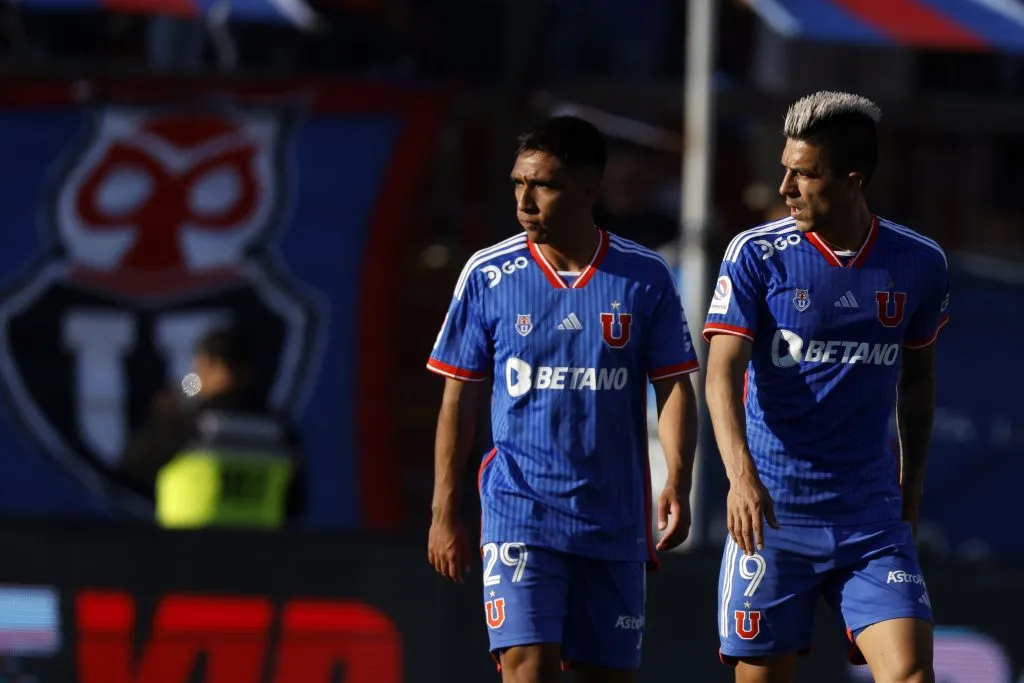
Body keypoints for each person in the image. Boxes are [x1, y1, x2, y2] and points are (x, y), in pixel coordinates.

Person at [426, 115, 699, 683]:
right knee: (528, 669)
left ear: (588, 189)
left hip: (614, 519)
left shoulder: (643, 275)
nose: (525, 200)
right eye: (518, 184)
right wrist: (444, 510)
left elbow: (673, 384)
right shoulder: (488, 274)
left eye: (543, 185)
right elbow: (458, 399)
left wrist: (677, 477)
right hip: (519, 510)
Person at [704, 90, 949, 683]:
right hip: (770, 519)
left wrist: (910, 489)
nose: (785, 187)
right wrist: (740, 480)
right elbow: (720, 374)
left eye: (803, 174)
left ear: (850, 180)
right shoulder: (756, 254)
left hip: (868, 519)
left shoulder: (918, 261)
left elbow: (917, 380)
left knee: (911, 674)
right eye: (784, 169)